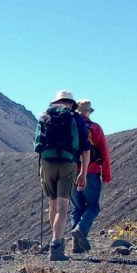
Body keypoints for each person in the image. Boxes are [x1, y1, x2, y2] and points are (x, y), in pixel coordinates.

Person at [33, 90, 90, 261]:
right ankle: (56, 246)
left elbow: (36, 145)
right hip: (67, 163)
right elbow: (85, 149)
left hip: (47, 163)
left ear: (55, 102)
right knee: (63, 207)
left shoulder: (44, 116)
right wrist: (83, 173)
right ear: (71, 104)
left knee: (53, 204)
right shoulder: (76, 118)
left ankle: (54, 240)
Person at [69, 100, 112, 254]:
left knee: (77, 208)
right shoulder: (95, 128)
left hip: (71, 172)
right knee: (93, 206)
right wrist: (106, 174)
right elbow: (104, 153)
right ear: (88, 112)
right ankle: (81, 229)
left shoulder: (70, 127)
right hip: (91, 172)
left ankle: (76, 245)